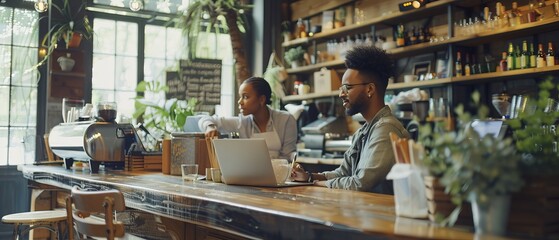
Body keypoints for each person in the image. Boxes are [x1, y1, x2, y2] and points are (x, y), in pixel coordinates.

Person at [291, 46, 410, 194]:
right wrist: (308, 177)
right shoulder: (363, 131)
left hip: (382, 214)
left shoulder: (386, 129)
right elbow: (343, 173)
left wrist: (317, 183)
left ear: (370, 90)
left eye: (347, 87)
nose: (341, 94)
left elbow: (361, 183)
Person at [199, 77, 297, 159]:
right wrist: (210, 127)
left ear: (262, 99)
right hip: (251, 175)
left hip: (280, 175)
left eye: (245, 97)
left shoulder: (286, 120)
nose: (240, 102)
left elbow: (288, 157)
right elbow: (204, 119)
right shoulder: (242, 122)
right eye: (240, 97)